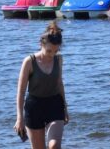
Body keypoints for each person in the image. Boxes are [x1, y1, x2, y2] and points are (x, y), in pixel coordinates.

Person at [14, 21, 68, 149]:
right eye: (49, 51)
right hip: (34, 108)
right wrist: (19, 118)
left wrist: (65, 108)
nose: (52, 55)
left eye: (55, 51)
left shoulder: (58, 59)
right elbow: (21, 92)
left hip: (55, 104)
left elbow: (60, 84)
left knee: (54, 146)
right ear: (41, 44)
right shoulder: (29, 61)